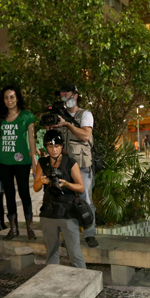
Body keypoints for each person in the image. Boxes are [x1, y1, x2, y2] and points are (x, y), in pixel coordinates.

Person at [0, 86, 38, 241]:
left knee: (24, 193)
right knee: (9, 194)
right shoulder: (0, 116)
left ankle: (30, 228)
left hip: (22, 161)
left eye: (12, 97)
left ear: (17, 98)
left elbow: (31, 138)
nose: (9, 100)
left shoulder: (27, 116)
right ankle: (13, 229)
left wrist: (34, 159)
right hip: (3, 160)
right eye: (6, 97)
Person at [33, 130, 86, 269]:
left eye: (57, 146)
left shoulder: (70, 162)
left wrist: (67, 184)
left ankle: (83, 281)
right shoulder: (43, 163)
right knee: (51, 253)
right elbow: (36, 187)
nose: (54, 149)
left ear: (62, 146)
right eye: (50, 146)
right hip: (49, 212)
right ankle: (54, 281)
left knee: (74, 252)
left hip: (68, 212)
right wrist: (42, 181)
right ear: (46, 147)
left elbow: (81, 187)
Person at [54, 83, 98, 248]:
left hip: (82, 165)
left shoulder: (85, 114)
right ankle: (70, 236)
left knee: (85, 201)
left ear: (76, 95)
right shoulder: (59, 116)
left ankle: (90, 234)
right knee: (67, 201)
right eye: (62, 95)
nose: (64, 97)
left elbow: (86, 135)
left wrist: (67, 124)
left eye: (67, 94)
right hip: (64, 166)